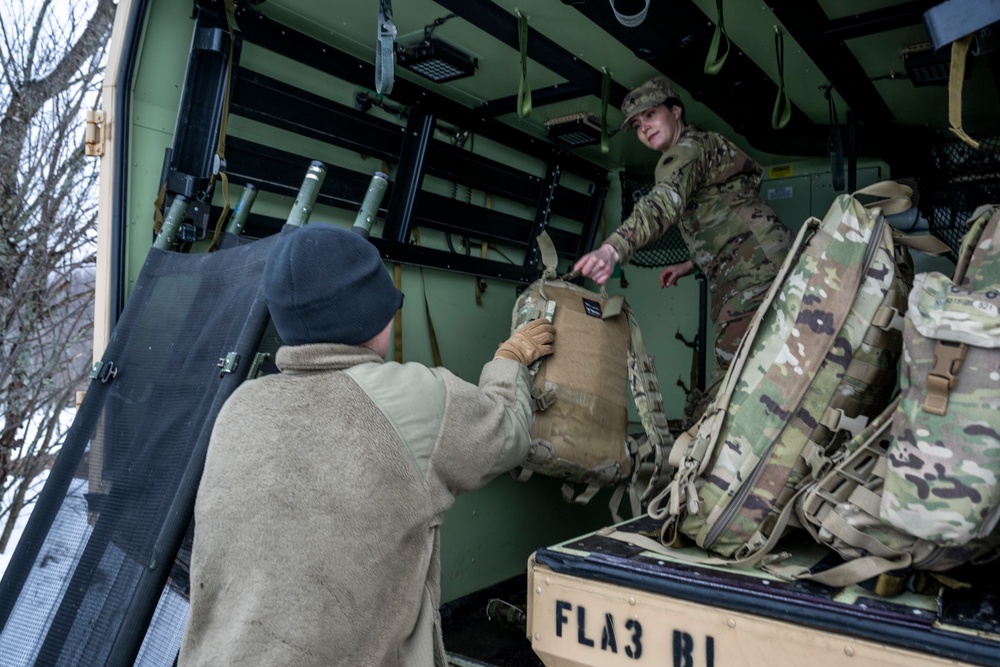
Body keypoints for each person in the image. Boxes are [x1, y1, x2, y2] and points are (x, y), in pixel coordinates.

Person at [178, 224, 555, 666]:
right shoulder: (414, 396)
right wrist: (509, 360)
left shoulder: (239, 408)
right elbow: (509, 434)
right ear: (373, 316)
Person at [574, 76, 791, 424]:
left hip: (752, 271)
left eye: (651, 115)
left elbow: (662, 204)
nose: (644, 128)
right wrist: (692, 263)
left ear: (675, 111)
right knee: (753, 365)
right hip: (753, 262)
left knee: (734, 379)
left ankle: (724, 461)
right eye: (637, 125)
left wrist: (612, 250)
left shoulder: (687, 151)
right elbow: (724, 208)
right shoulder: (699, 148)